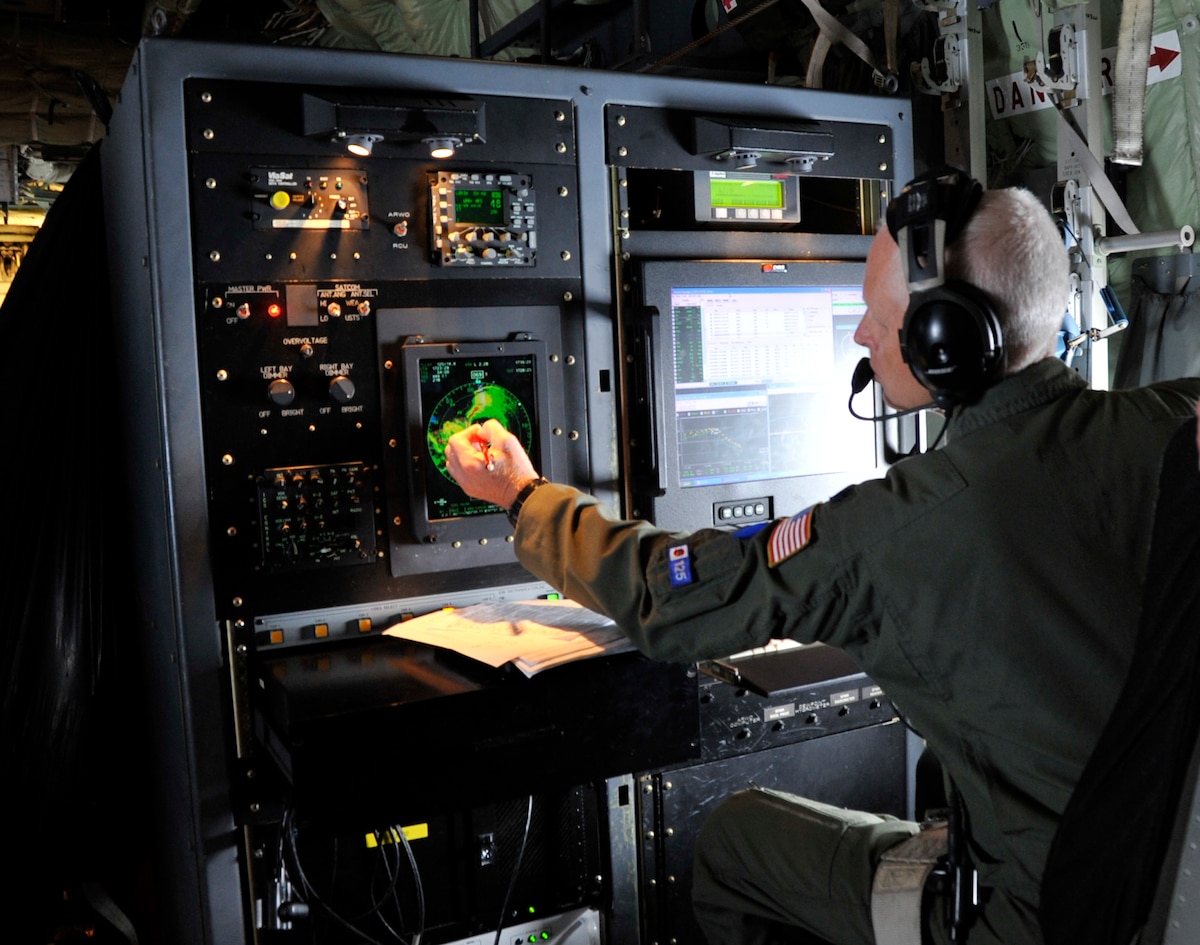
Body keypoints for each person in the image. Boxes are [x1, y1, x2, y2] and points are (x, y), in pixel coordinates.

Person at [444, 171, 1200, 945]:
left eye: (880, 317)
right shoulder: (1180, 425)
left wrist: (521, 494)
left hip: (1039, 920)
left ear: (948, 340)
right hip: (1169, 902)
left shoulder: (897, 528)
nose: (864, 337)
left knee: (737, 839)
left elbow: (670, 601)